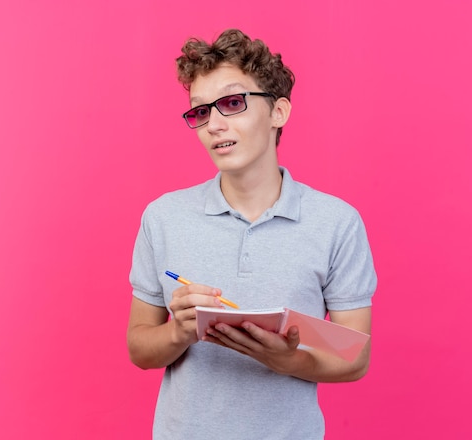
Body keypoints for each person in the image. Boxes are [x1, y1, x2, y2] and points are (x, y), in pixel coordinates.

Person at [127, 28, 377, 440]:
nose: (214, 125)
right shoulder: (164, 217)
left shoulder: (336, 222)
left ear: (278, 112)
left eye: (231, 103)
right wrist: (178, 331)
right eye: (201, 111)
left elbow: (355, 355)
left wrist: (288, 360)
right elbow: (139, 348)